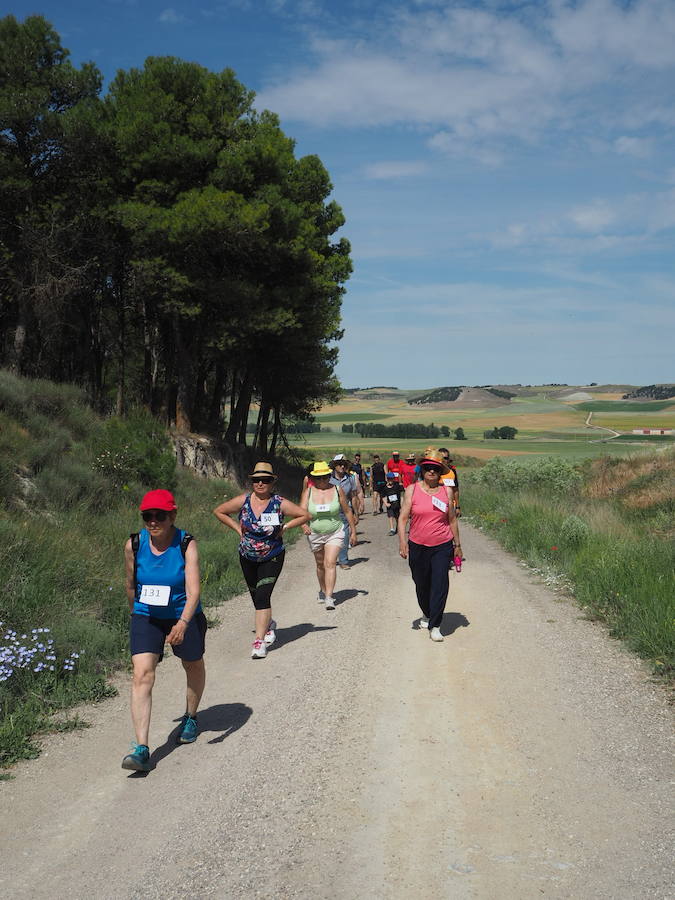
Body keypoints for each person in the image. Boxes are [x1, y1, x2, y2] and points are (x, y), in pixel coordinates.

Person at [122, 489, 206, 772]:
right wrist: (137, 615)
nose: (153, 521)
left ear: (173, 515)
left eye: (160, 515)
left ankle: (191, 717)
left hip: (183, 613)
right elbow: (131, 585)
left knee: (192, 664)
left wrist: (182, 623)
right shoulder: (134, 544)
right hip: (146, 615)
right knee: (142, 674)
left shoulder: (186, 544)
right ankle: (141, 748)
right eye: (148, 516)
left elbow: (194, 591)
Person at [213, 462, 309, 659]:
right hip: (247, 556)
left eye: (265, 480)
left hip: (272, 555)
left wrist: (286, 527)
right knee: (256, 597)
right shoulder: (244, 500)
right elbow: (219, 511)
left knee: (263, 596)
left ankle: (259, 642)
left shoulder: (279, 502)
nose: (260, 483)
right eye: (257, 480)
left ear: (272, 482)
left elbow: (305, 514)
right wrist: (237, 528)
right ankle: (269, 624)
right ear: (252, 482)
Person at [398, 450, 462, 643]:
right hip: (417, 545)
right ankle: (427, 613)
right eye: (428, 468)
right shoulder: (412, 490)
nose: (431, 471)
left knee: (440, 583)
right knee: (421, 583)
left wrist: (457, 544)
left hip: (442, 545)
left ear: (440, 471)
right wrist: (402, 541)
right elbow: (402, 519)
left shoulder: (446, 491)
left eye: (435, 468)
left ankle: (435, 624)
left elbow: (451, 520)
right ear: (422, 470)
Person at [300, 461, 357, 610]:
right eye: (318, 478)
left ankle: (329, 597)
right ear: (313, 479)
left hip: (335, 531)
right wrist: (304, 524)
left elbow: (347, 510)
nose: (322, 481)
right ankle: (323, 590)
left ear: (329, 476)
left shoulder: (337, 490)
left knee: (330, 562)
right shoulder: (309, 492)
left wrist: (353, 531)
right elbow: (300, 512)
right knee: (320, 564)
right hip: (315, 533)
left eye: (325, 477)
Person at [330, 454, 358, 568]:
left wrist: (356, 513)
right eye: (339, 464)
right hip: (331, 512)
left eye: (344, 464)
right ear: (334, 466)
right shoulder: (328, 479)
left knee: (345, 537)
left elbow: (353, 496)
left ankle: (343, 561)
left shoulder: (350, 478)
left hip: (345, 511)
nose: (342, 466)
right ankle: (330, 559)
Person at [439, 447, 461, 516]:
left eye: (445, 458)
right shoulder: (433, 471)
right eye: (441, 457)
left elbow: (455, 489)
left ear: (448, 459)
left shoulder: (452, 471)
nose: (443, 460)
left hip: (450, 505)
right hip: (436, 504)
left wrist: (457, 507)